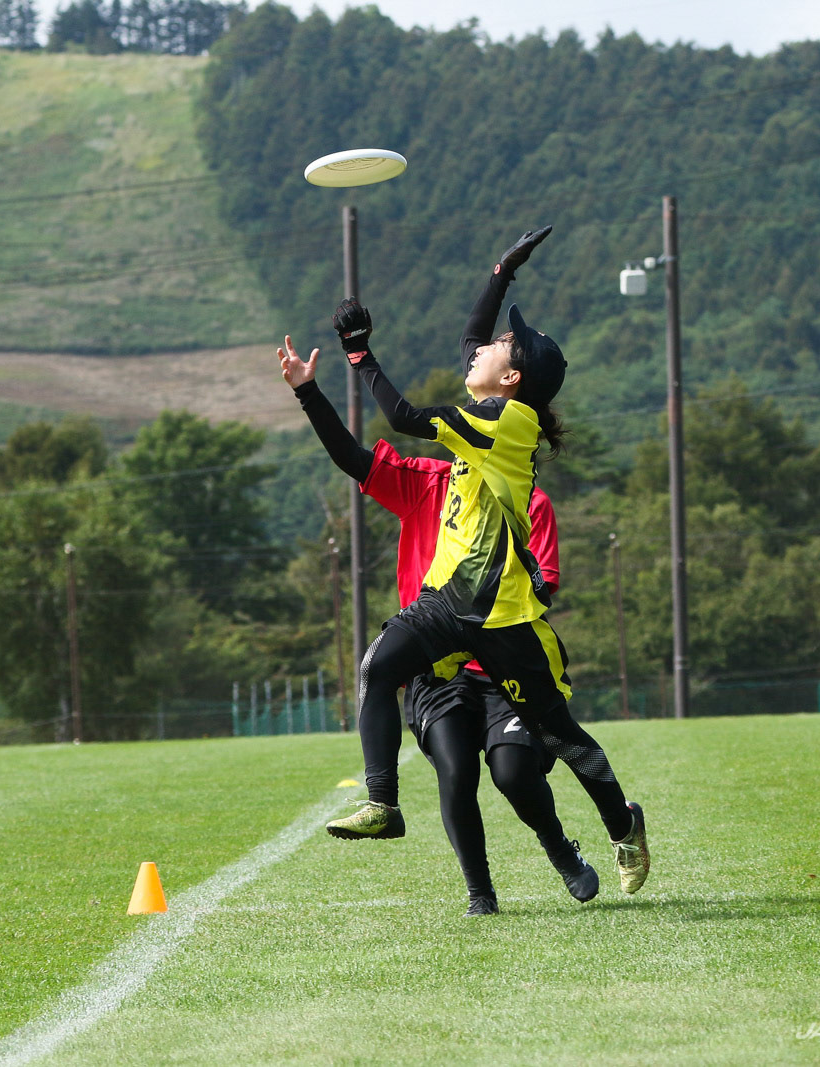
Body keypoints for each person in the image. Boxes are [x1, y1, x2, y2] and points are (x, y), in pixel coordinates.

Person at [317, 227, 650, 894]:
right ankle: (383, 802)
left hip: (500, 616)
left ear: (512, 376)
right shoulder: (494, 401)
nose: (479, 349)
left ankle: (623, 823)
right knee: (378, 668)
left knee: (563, 735)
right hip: (448, 600)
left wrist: (361, 357)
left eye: (499, 347)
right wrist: (501, 272)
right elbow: (472, 335)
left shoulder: (507, 422)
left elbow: (403, 416)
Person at [278, 335, 598, 915]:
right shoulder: (426, 481)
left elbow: (543, 585)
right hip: (434, 666)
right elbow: (350, 456)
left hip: (499, 664)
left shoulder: (528, 499)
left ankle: (561, 851)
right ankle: (480, 894)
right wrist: (308, 391)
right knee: (455, 772)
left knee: (514, 774)